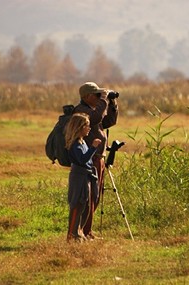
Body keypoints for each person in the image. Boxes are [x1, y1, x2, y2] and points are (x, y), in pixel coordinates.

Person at [73, 82, 118, 239]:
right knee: (90, 196)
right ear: (86, 96)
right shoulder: (82, 111)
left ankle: (87, 231)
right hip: (89, 158)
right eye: (96, 95)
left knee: (96, 195)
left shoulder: (93, 110)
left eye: (101, 94)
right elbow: (96, 117)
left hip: (99, 157)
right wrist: (104, 99)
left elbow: (108, 122)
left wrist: (112, 104)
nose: (99, 97)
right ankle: (83, 231)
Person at [65, 112, 102, 242]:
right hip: (79, 177)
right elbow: (82, 160)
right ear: (79, 127)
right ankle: (72, 234)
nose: (89, 128)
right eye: (86, 126)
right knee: (78, 204)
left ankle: (79, 231)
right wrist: (93, 148)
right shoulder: (75, 144)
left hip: (86, 176)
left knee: (86, 205)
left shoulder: (82, 142)